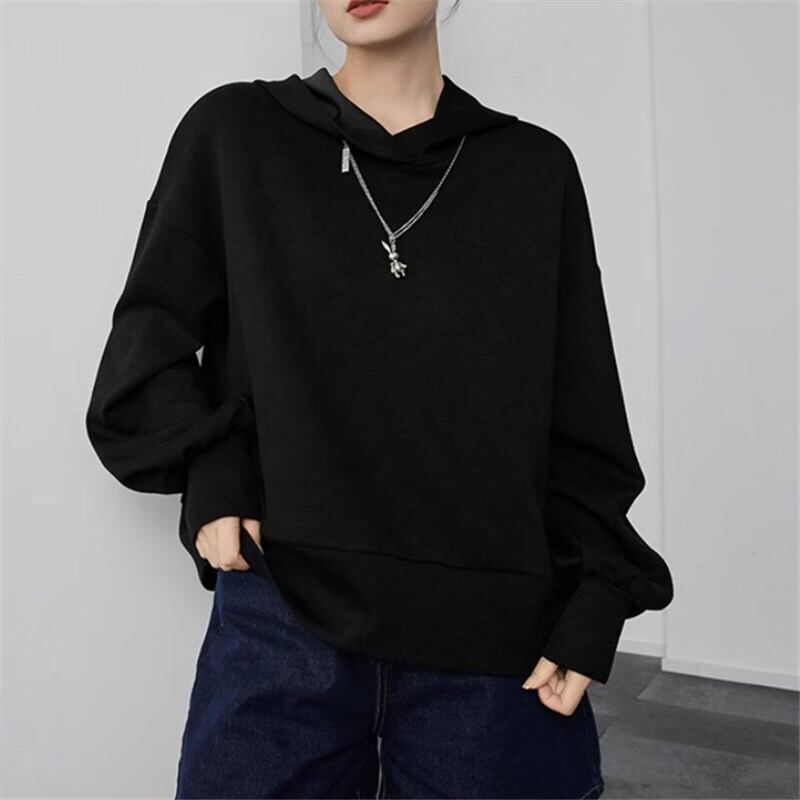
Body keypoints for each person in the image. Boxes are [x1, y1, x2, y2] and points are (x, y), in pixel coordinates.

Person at [85, 0, 674, 797]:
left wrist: (597, 600)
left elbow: (582, 416)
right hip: (281, 619)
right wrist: (215, 473)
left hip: (496, 645)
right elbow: (146, 351)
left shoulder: (533, 169)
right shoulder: (235, 134)